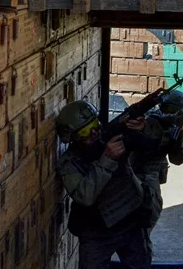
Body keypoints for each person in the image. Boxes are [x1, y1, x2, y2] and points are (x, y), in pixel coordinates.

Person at [55, 100, 158, 269]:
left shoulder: (110, 135)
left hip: (130, 220)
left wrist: (142, 129)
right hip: (96, 231)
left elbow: (154, 145)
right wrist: (107, 160)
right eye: (86, 130)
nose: (94, 132)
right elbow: (85, 196)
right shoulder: (69, 163)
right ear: (74, 136)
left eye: (95, 124)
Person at [131, 90, 183, 253]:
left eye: (173, 110)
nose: (168, 113)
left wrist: (176, 136)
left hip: (148, 175)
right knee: (148, 215)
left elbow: (177, 159)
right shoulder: (149, 121)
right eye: (166, 108)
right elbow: (150, 141)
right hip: (138, 174)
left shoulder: (171, 127)